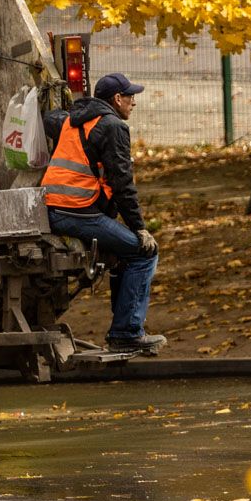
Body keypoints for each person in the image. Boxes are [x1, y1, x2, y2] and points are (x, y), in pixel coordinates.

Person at [42, 72, 165, 354]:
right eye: (131, 96)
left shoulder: (73, 120)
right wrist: (140, 228)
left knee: (123, 254)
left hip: (53, 207)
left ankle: (124, 326)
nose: (134, 102)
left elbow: (50, 119)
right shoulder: (113, 127)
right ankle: (127, 332)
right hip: (77, 212)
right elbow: (123, 184)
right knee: (144, 253)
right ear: (117, 99)